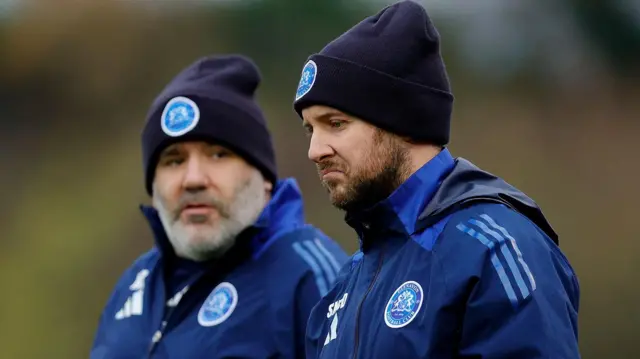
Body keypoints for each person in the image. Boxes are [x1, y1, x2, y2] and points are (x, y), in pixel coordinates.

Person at [292, 1, 581, 358]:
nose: (315, 150)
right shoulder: (344, 286)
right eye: (310, 130)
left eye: (335, 123)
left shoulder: (496, 250)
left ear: (402, 122)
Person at [89, 54, 349, 359]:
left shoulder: (312, 279)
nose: (193, 179)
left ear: (263, 176)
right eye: (174, 160)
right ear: (153, 186)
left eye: (218, 155)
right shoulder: (135, 284)